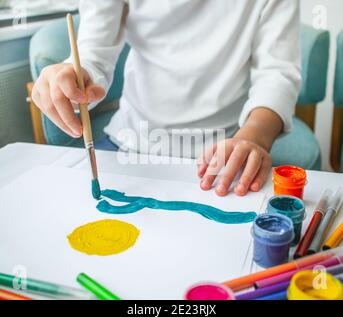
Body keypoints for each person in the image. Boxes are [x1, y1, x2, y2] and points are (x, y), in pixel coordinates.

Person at [32, 0, 301, 197]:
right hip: (130, 142)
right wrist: (75, 75)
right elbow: (94, 51)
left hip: (225, 156)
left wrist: (252, 137)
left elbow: (277, 74)